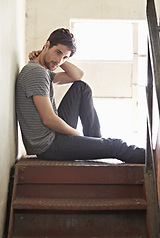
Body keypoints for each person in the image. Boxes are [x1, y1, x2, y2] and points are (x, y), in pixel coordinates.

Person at [16, 28, 145, 163]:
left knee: (81, 88)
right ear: (47, 45)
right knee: (116, 146)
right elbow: (48, 119)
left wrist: (58, 59)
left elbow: (77, 76)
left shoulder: (42, 71)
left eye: (65, 57)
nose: (59, 60)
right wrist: (77, 135)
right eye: (58, 52)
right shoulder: (37, 73)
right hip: (48, 145)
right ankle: (153, 159)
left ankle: (96, 142)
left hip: (52, 137)